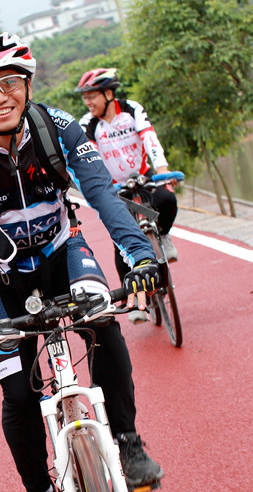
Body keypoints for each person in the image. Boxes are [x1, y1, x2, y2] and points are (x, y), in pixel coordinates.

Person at [0, 32, 163, 492]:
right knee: (17, 394)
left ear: (28, 85)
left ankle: (126, 441)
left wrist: (140, 254)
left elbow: (100, 191)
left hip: (61, 252)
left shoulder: (58, 127)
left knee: (103, 323)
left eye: (9, 83)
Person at [75, 68, 180, 323]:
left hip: (142, 179)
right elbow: (87, 159)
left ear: (108, 93)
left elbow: (150, 139)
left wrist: (163, 170)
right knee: (121, 238)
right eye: (84, 97)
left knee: (167, 201)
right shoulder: (87, 124)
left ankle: (162, 236)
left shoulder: (131, 109)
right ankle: (132, 298)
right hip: (113, 189)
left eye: (92, 96)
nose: (88, 102)